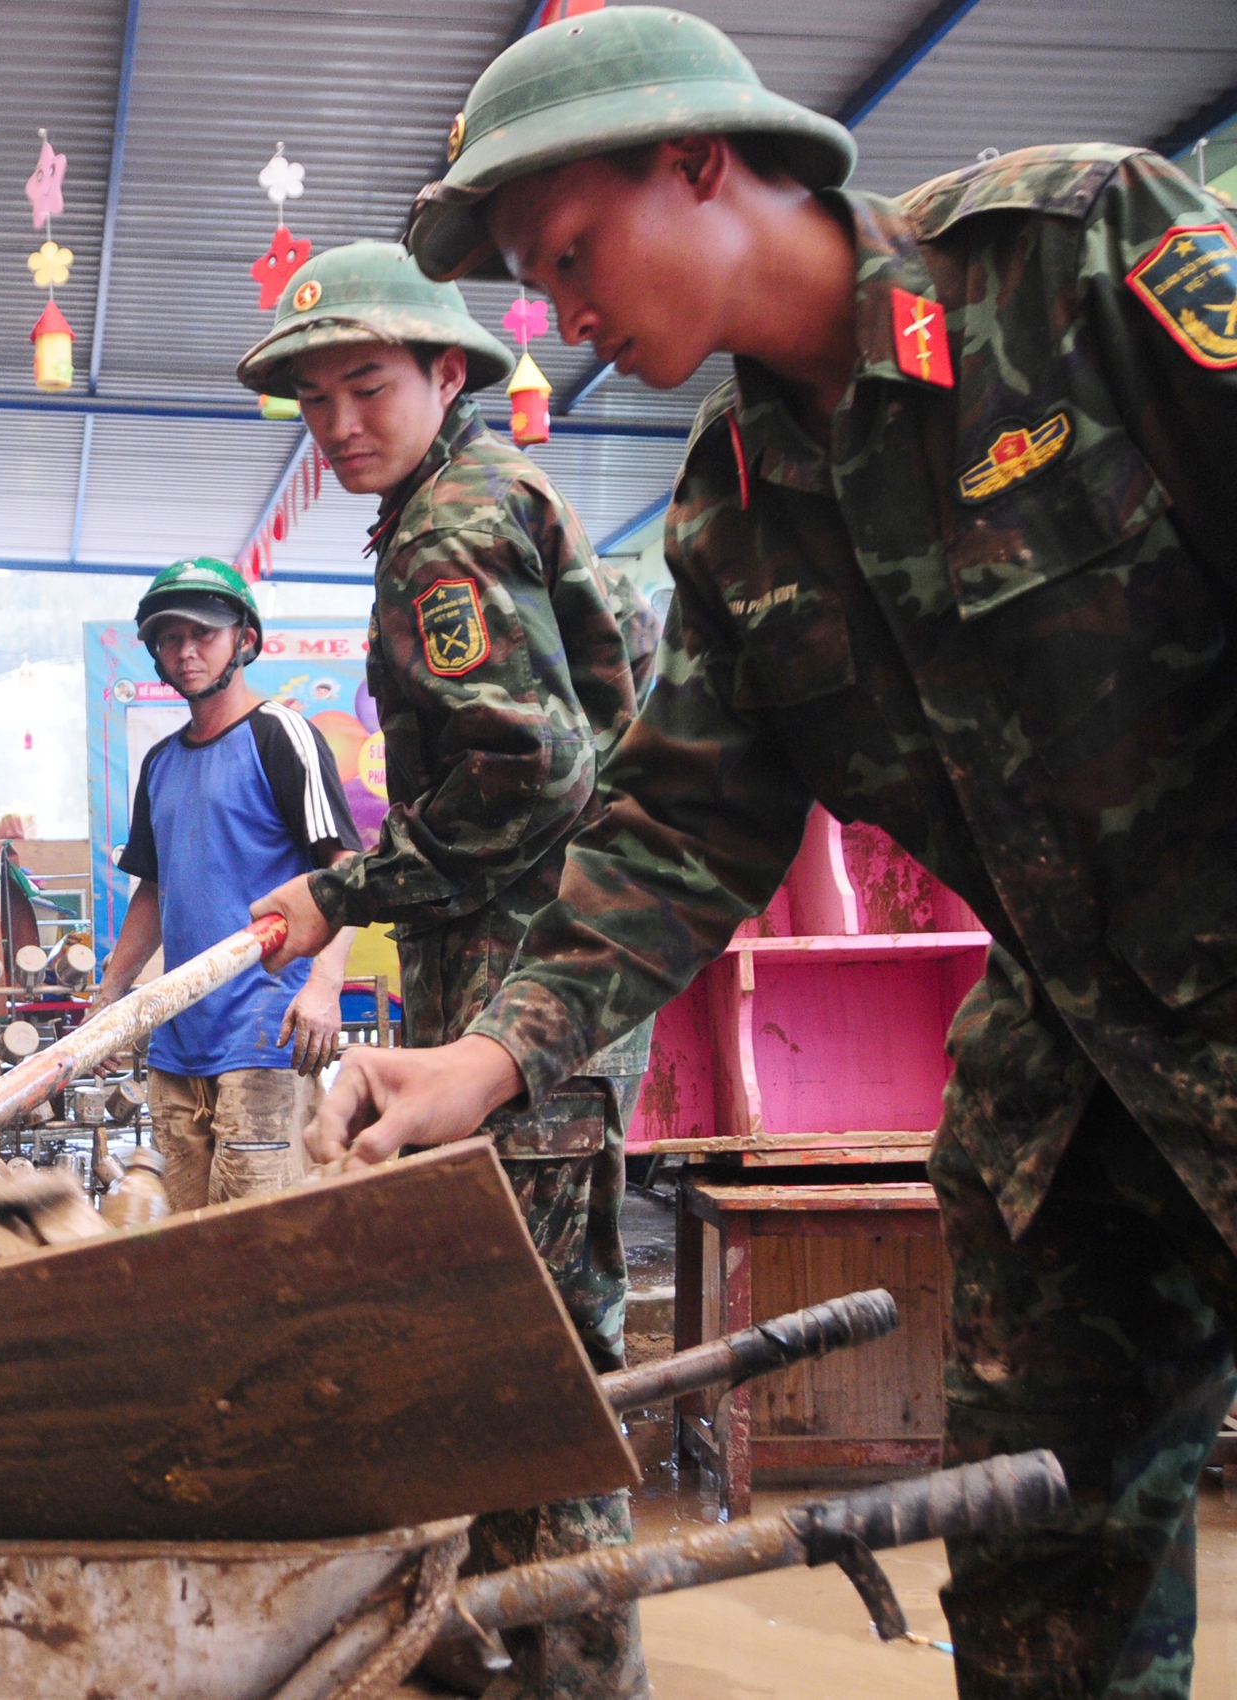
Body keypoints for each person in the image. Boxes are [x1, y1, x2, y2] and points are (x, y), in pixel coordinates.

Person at [288, 8, 1237, 1696]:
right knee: (1045, 1615)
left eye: (574, 254)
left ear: (703, 161)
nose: (560, 321)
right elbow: (684, 820)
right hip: (1073, 1100)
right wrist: (492, 1056)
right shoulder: (738, 500)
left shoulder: (1082, 260)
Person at [238, 239, 653, 1700]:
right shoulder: (479, 498)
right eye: (314, 399)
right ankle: (530, 1664)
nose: (340, 422)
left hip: (519, 992)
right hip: (542, 990)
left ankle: (560, 1672)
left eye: (368, 386)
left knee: (520, 1366)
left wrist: (344, 886)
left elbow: (526, 777)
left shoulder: (446, 530)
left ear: (449, 370)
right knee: (543, 1355)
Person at [91, 559, 360, 1208]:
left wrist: (325, 987)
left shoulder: (281, 737)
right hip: (178, 1044)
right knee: (184, 1237)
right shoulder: (159, 763)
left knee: (260, 1236)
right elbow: (153, 892)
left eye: (204, 634)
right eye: (171, 638)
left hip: (265, 1035)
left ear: (244, 638)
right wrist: (109, 996)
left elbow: (346, 874)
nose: (187, 652)